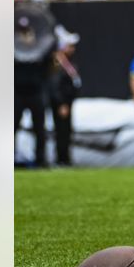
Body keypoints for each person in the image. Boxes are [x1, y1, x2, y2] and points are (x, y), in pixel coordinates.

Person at [14, 14, 56, 168]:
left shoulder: (41, 47)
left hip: (36, 92)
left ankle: (41, 159)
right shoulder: (14, 48)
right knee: (12, 127)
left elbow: (49, 65)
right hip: (17, 93)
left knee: (39, 127)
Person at [49, 25, 82, 166]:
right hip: (61, 104)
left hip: (68, 102)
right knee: (61, 131)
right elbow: (55, 85)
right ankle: (61, 159)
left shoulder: (69, 63)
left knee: (67, 131)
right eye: (70, 46)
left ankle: (66, 158)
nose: (73, 50)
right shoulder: (57, 64)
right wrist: (61, 103)